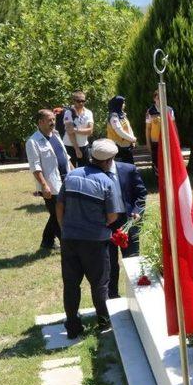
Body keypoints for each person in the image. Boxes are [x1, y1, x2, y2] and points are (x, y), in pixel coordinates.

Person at [56, 139, 123, 338]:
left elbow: (59, 205)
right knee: (99, 283)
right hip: (95, 242)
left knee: (70, 283)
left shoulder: (71, 176)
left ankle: (73, 327)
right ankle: (103, 323)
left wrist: (64, 227)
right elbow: (112, 216)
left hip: (69, 239)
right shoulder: (107, 183)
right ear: (109, 161)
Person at [25, 109, 71, 250]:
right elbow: (35, 167)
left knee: (57, 213)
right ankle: (66, 245)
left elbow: (66, 156)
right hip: (51, 184)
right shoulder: (33, 142)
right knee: (58, 214)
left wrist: (75, 172)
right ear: (40, 122)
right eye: (49, 120)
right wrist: (44, 185)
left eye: (53, 119)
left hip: (66, 179)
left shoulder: (56, 135)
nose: (53, 122)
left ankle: (47, 242)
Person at [106, 158, 147, 299]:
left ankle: (136, 296)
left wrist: (137, 211)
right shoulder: (94, 173)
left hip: (128, 219)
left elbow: (141, 193)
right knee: (109, 262)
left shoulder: (128, 169)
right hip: (106, 222)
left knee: (132, 260)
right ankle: (112, 296)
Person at [145, 90, 174, 176]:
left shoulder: (169, 110)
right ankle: (159, 180)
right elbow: (148, 128)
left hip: (167, 141)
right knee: (157, 161)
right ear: (154, 99)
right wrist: (148, 143)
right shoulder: (150, 111)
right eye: (158, 98)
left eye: (163, 98)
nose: (161, 100)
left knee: (168, 161)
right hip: (156, 141)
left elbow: (173, 126)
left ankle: (168, 180)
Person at [63, 91, 94, 168]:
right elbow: (70, 133)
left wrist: (75, 129)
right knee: (70, 170)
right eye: (78, 101)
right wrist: (77, 149)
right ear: (73, 101)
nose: (81, 103)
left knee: (85, 170)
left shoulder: (88, 112)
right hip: (70, 146)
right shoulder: (68, 113)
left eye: (83, 101)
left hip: (84, 145)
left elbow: (90, 131)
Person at [106, 95, 137, 164]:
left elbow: (129, 128)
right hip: (118, 148)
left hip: (126, 146)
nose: (124, 105)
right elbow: (119, 131)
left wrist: (132, 139)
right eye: (123, 103)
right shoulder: (114, 117)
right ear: (118, 104)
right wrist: (132, 139)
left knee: (129, 168)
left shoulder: (122, 115)